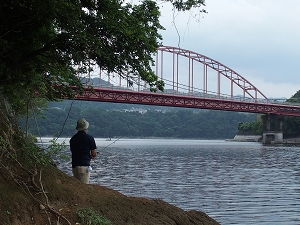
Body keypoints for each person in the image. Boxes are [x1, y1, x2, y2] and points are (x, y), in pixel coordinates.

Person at [70, 118, 97, 184]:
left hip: (74, 166)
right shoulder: (89, 138)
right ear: (86, 128)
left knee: (77, 187)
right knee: (83, 188)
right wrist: (93, 156)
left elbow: (75, 151)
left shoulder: (73, 139)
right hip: (84, 166)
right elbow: (94, 154)